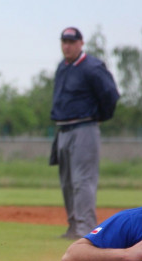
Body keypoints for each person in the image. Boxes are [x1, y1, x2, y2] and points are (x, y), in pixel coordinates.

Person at [50, 27, 120, 239]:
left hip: (84, 128)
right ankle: (73, 227)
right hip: (63, 129)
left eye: (71, 41)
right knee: (67, 182)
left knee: (83, 181)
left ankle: (86, 230)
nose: (67, 45)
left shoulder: (92, 67)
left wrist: (98, 117)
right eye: (64, 41)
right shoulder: (62, 67)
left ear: (81, 43)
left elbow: (111, 95)